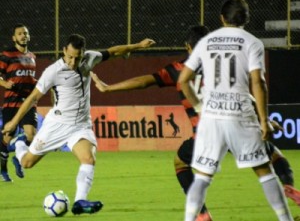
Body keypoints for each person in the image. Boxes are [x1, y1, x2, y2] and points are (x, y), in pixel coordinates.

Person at [2, 34, 155, 215]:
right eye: (70, 57)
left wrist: (138, 45)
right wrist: (14, 121)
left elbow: (114, 51)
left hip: (81, 125)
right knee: (27, 163)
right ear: (64, 51)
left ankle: (80, 202)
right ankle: (20, 143)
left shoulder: (90, 58)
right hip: (57, 125)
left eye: (78, 57)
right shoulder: (53, 71)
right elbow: (33, 97)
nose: (74, 62)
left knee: (88, 159)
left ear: (84, 53)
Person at [178, 0, 294, 221]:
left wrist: (200, 108)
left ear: (222, 18)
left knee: (202, 178)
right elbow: (258, 82)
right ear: (247, 18)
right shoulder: (252, 43)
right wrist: (263, 120)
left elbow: (184, 80)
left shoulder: (206, 42)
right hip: (240, 115)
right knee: (265, 173)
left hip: (211, 119)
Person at [91, 25, 213, 221]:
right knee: (264, 159)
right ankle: (282, 180)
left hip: (206, 133)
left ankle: (201, 214)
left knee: (181, 163)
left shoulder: (178, 69)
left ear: (188, 47)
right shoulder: (223, 66)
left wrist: (109, 88)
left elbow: (144, 81)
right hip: (233, 125)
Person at [0, 23, 37, 182]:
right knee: (6, 139)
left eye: (26, 33)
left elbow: (28, 77)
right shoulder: (7, 55)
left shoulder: (32, 57)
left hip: (28, 103)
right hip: (11, 103)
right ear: (14, 38)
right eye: (20, 33)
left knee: (31, 134)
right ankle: (3, 170)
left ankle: (18, 158)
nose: (24, 36)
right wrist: (4, 83)